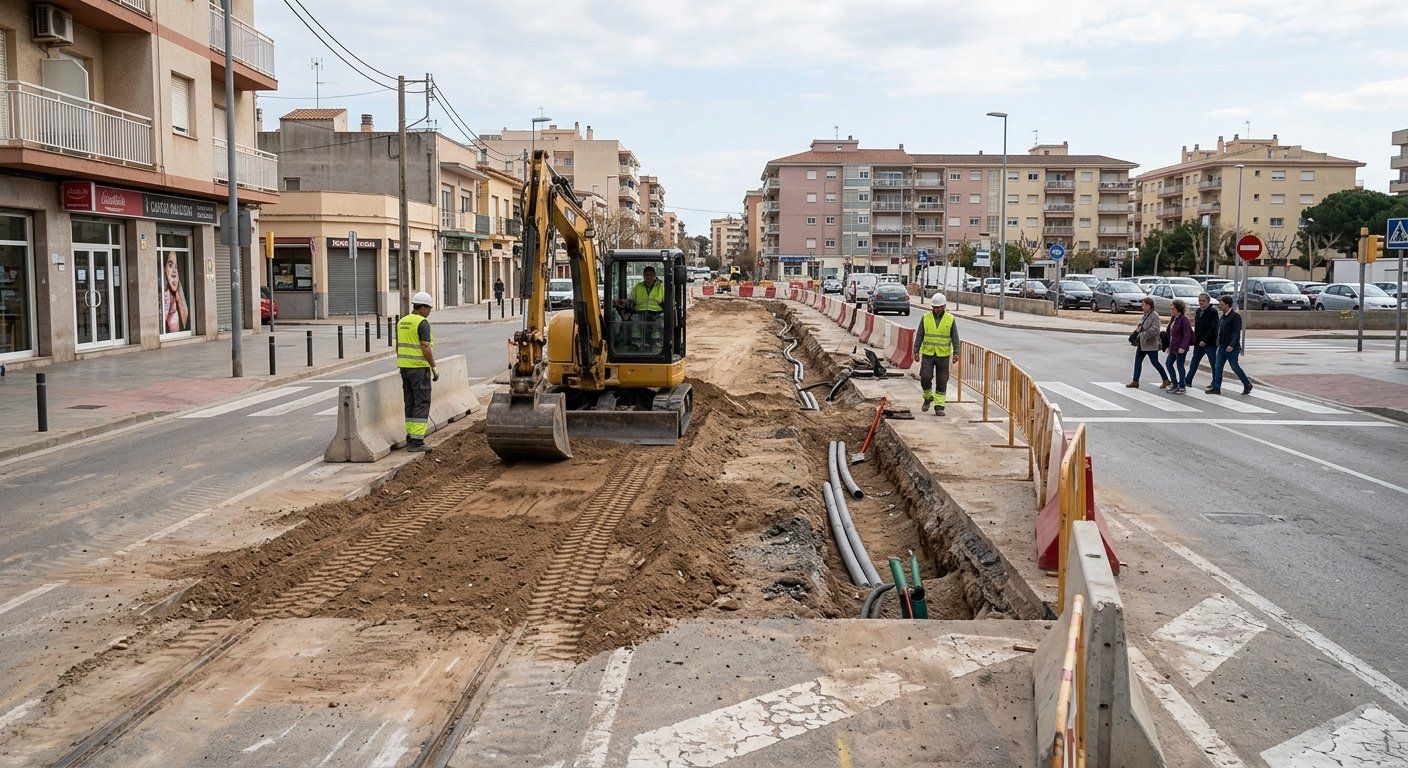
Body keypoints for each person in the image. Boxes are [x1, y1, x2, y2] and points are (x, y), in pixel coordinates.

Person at [397, 291, 439, 453]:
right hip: (419, 368)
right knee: (422, 402)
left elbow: (398, 346)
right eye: (428, 308)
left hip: (404, 368)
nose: (429, 311)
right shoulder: (422, 323)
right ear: (422, 308)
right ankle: (416, 441)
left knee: (410, 402)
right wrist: (433, 367)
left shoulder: (402, 322)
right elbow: (425, 346)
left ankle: (410, 436)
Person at [912, 293, 959, 416]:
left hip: (943, 355)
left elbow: (955, 337)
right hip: (928, 353)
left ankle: (939, 406)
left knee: (942, 380)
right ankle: (928, 397)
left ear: (944, 307)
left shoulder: (950, 318)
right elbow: (919, 335)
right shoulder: (926, 317)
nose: (936, 309)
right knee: (925, 377)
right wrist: (916, 351)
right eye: (934, 307)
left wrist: (956, 353)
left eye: (938, 307)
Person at [1208, 295, 1252, 395]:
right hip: (1222, 346)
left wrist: (1232, 345)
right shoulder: (1223, 316)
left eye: (1222, 304)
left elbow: (1236, 332)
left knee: (1234, 367)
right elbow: (1219, 330)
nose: (1220, 306)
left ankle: (1247, 384)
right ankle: (1216, 387)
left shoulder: (1235, 316)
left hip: (1232, 348)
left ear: (1227, 305)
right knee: (1218, 367)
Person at [616, 266, 665, 350]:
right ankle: (630, 343)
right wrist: (623, 302)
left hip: (655, 312)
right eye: (647, 275)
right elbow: (631, 299)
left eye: (651, 275)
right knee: (628, 323)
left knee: (661, 324)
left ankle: (661, 344)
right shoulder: (638, 286)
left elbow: (667, 300)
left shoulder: (661, 286)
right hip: (639, 312)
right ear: (643, 276)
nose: (649, 277)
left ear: (654, 276)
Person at [1126, 296, 1170, 389]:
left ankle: (1166, 380)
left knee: (1155, 362)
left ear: (1150, 306)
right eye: (1142, 305)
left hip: (1151, 344)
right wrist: (1137, 332)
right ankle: (1135, 381)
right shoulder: (1144, 315)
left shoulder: (1155, 316)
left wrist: (1142, 334)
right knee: (1137, 362)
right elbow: (1140, 327)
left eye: (1144, 305)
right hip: (1142, 344)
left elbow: (1154, 330)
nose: (1143, 307)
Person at [1182, 292, 1218, 389]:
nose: (1201, 303)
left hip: (1209, 343)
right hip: (1198, 342)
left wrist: (1205, 340)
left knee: (1213, 364)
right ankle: (1188, 381)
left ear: (1208, 301)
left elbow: (1213, 328)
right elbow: (1197, 327)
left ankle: (1215, 382)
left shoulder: (1212, 312)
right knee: (1194, 362)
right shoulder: (1198, 311)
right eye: (1200, 301)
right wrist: (1195, 339)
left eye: (1203, 301)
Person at [1164, 299, 1192, 394]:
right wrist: (1168, 345)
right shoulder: (1173, 318)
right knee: (1168, 363)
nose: (1171, 309)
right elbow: (1170, 333)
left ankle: (1182, 385)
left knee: (1180, 366)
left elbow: (1187, 335)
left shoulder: (1184, 320)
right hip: (1173, 346)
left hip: (1180, 347)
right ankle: (1174, 383)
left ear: (1178, 309)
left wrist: (1183, 347)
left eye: (1172, 308)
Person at [161, 251, 189, 333]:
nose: (174, 271)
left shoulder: (177, 301)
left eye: (176, 267)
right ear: (164, 270)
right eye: (170, 265)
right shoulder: (162, 296)